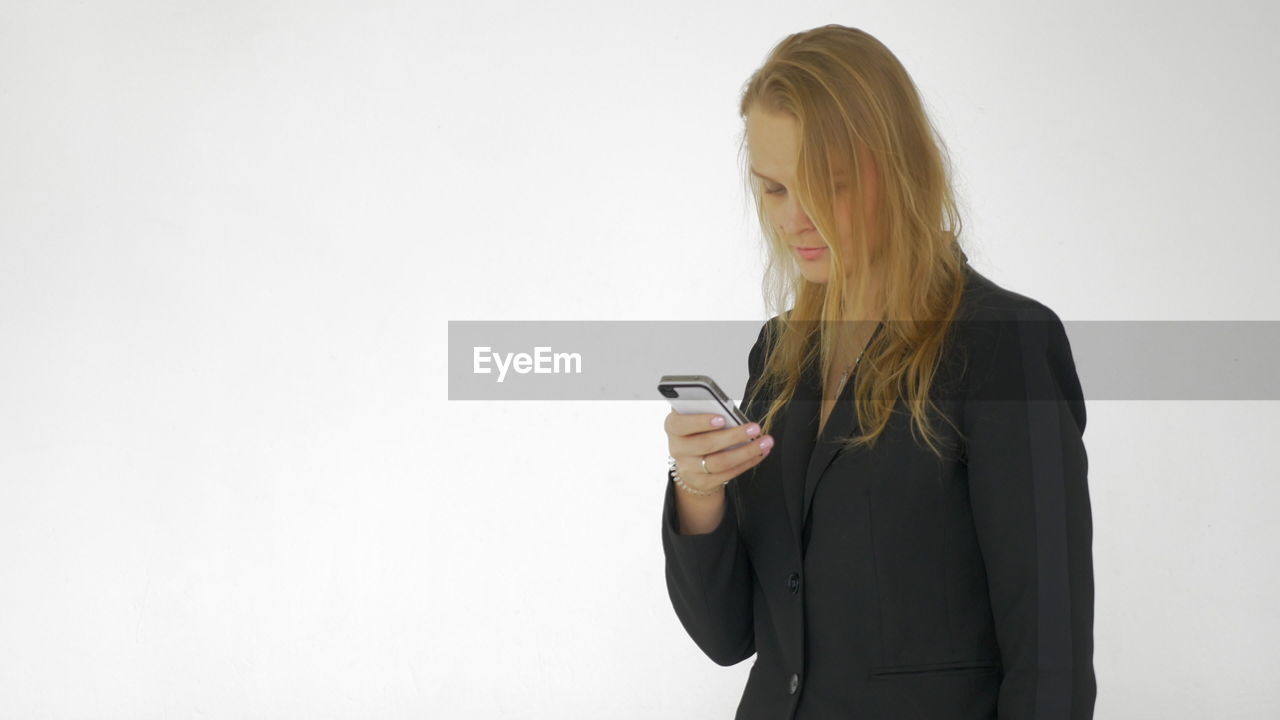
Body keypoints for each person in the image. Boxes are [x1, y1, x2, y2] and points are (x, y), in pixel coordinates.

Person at [660, 25, 1095, 720]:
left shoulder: (1002, 344)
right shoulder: (779, 355)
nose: (796, 220)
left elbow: (1050, 663)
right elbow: (730, 636)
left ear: (899, 167)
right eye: (772, 190)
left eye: (827, 185)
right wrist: (699, 492)